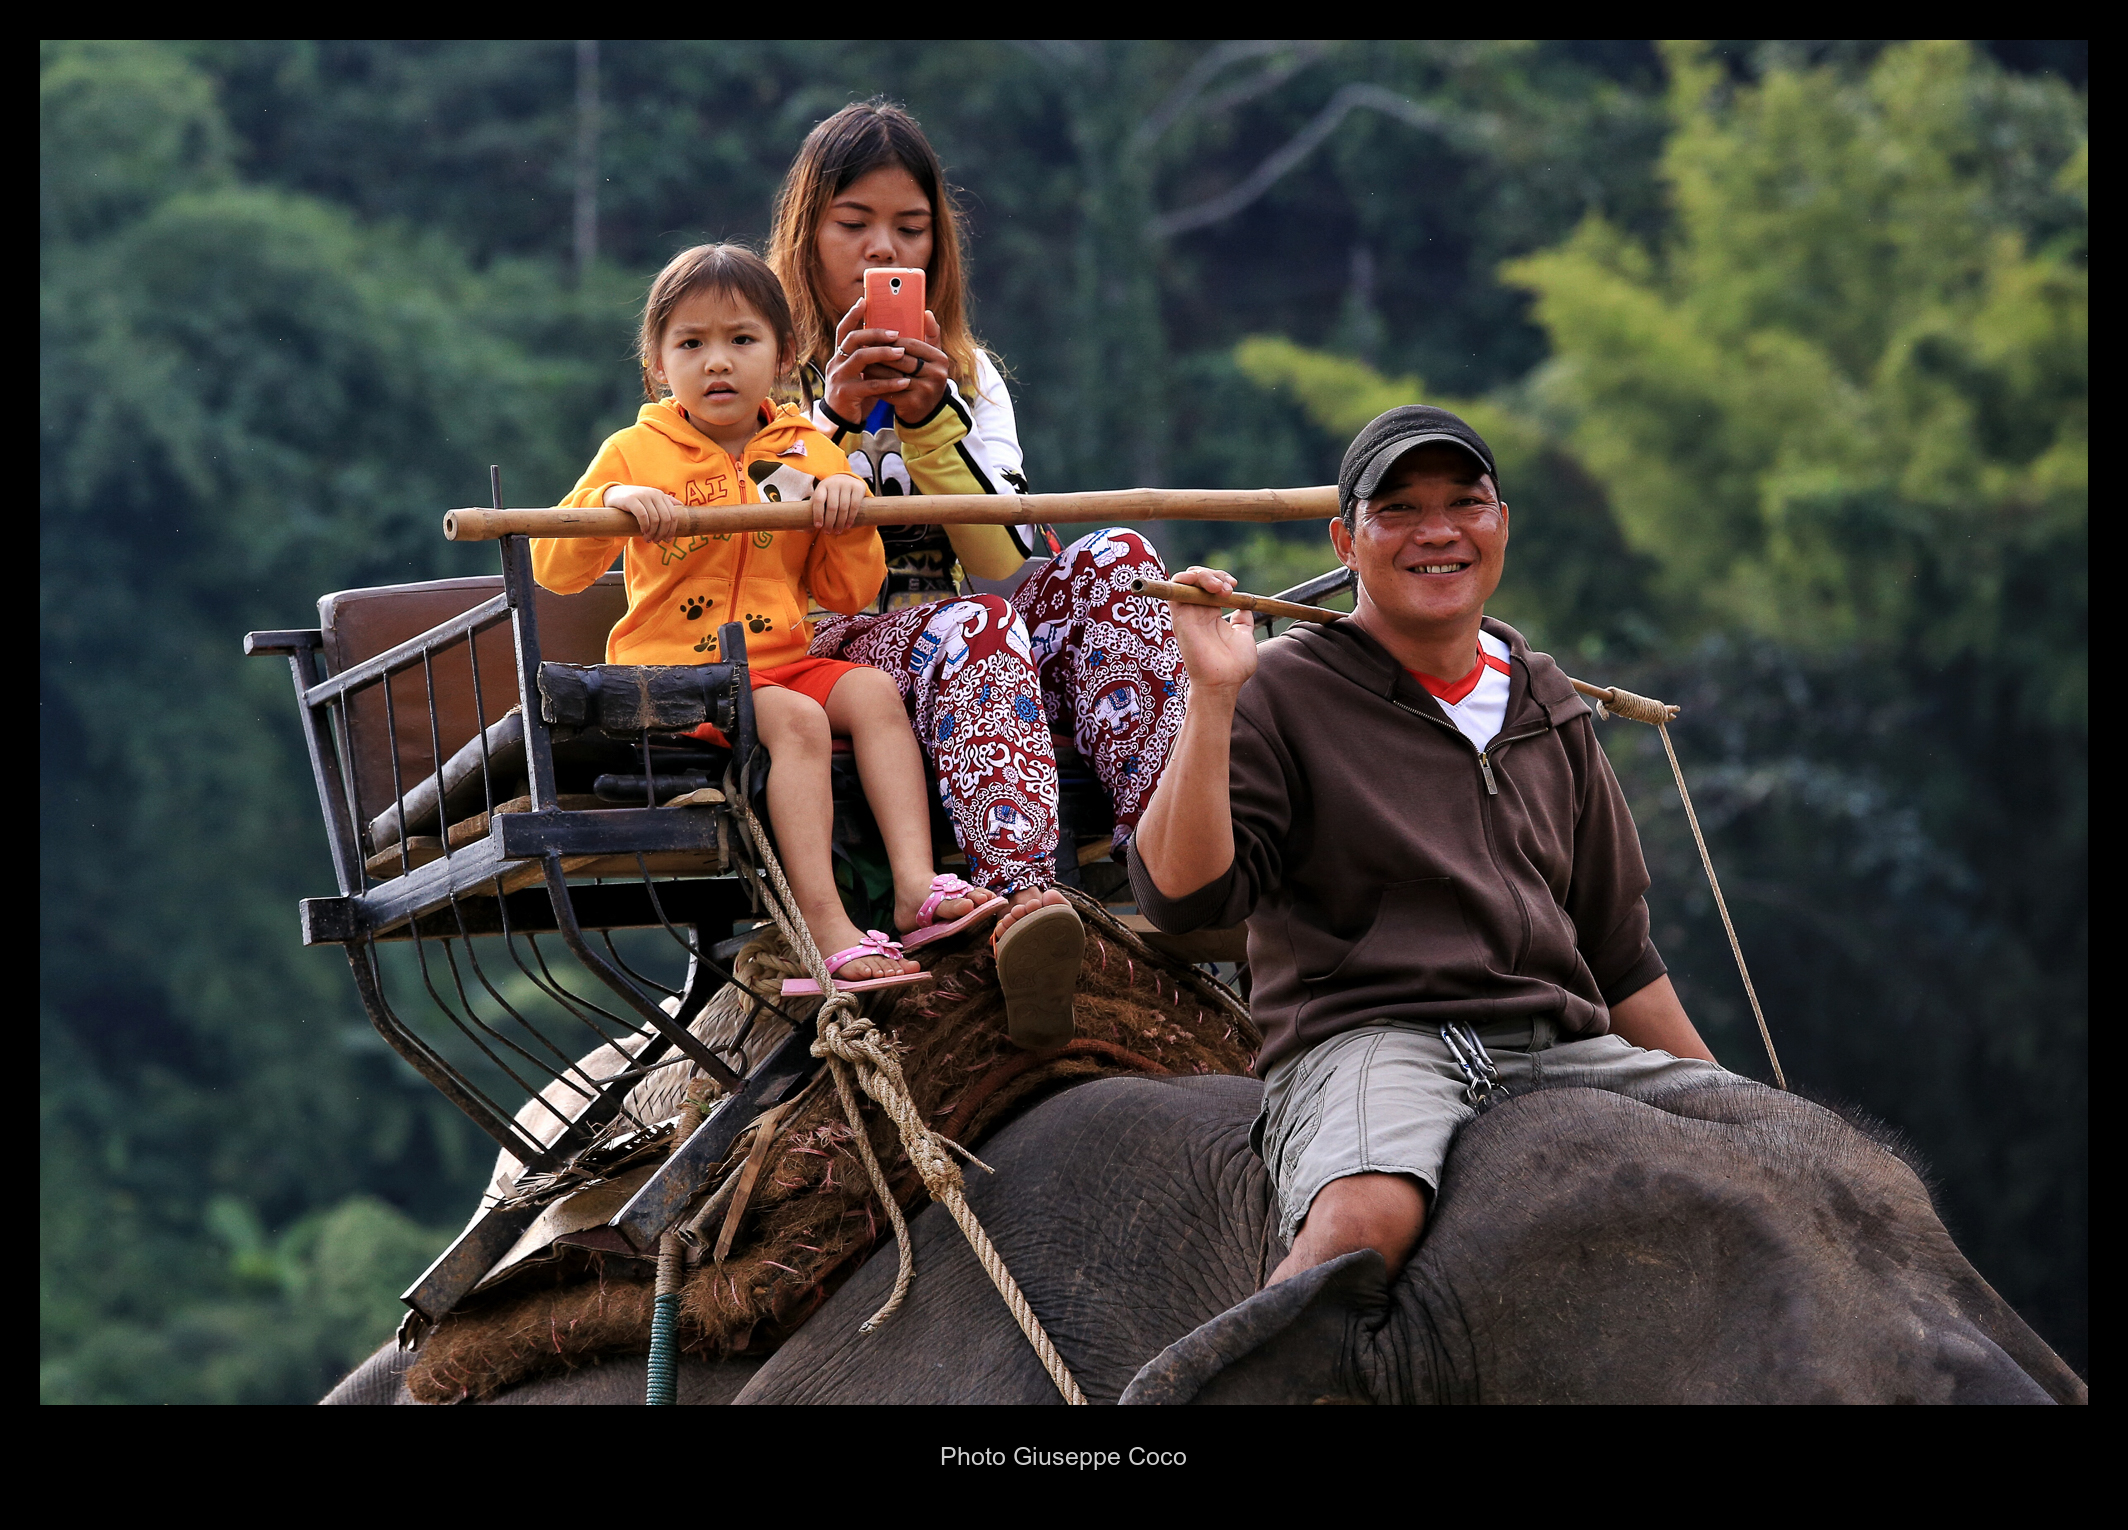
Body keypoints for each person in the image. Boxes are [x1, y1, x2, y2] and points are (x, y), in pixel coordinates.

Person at [1130, 404, 1724, 1286]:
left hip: (1560, 1043)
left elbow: (1618, 953)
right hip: (1374, 1042)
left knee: (1799, 1155)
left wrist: (1737, 1108)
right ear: (1345, 540)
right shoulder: (1284, 689)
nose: (1437, 532)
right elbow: (1181, 899)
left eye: (1464, 504)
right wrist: (1214, 696)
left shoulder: (1546, 699)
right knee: (1370, 1217)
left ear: (1501, 526)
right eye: (1398, 509)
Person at [766, 100, 1194, 1040]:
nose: (885, 251)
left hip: (965, 637)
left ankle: (1175, 864)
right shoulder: (756, 368)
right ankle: (1017, 905)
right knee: (974, 629)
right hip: (821, 648)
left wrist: (928, 423)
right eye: (855, 226)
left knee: (1117, 560)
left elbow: (1004, 563)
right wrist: (832, 420)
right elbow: (755, 553)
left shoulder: (968, 371)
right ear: (806, 237)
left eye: (910, 230)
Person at [532, 244, 1002, 987]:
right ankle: (828, 928)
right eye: (692, 344)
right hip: (678, 678)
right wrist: (613, 506)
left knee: (876, 692)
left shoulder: (809, 451)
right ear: (658, 366)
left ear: (783, 356)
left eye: (740, 340)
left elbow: (847, 593)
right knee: (797, 721)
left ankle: (916, 890)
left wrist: (848, 520)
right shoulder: (634, 452)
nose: (717, 362)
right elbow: (554, 569)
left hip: (783, 658)